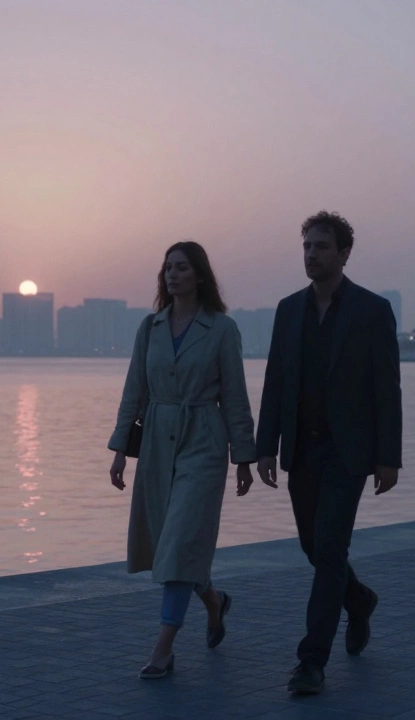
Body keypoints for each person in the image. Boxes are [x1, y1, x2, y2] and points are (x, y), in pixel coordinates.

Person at [255, 211, 402, 695]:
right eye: (307, 247)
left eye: (322, 246)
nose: (312, 254)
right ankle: (358, 601)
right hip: (302, 448)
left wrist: (388, 457)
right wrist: (266, 446)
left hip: (348, 452)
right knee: (313, 548)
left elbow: (387, 388)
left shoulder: (371, 310)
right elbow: (276, 381)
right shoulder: (288, 309)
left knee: (330, 548)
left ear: (343, 254)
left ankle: (311, 661)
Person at [108, 241, 257, 679]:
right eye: (167, 268)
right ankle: (213, 600)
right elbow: (134, 389)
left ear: (200, 276)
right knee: (175, 545)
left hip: (203, 442)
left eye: (182, 268)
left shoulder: (222, 330)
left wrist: (243, 457)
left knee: (177, 542)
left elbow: (235, 397)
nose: (172, 275)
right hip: (156, 442)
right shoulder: (149, 327)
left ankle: (163, 648)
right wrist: (119, 450)